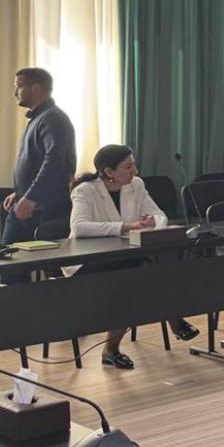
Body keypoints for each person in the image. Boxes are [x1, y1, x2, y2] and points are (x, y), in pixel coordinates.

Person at [70, 144, 198, 367]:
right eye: (128, 167)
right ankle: (173, 319)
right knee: (138, 277)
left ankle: (112, 350)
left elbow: (160, 216)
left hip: (128, 256)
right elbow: (80, 227)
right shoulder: (85, 190)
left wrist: (152, 222)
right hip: (91, 261)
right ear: (109, 172)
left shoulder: (136, 185)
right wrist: (126, 226)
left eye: (134, 165)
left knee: (148, 271)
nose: (135, 171)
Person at [2, 67, 77, 244]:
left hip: (43, 207)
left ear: (36, 89)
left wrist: (31, 196)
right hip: (34, 202)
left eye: (19, 86)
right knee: (11, 261)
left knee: (12, 263)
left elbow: (54, 162)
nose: (15, 93)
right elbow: (37, 162)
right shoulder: (41, 118)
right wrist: (21, 192)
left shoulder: (52, 119)